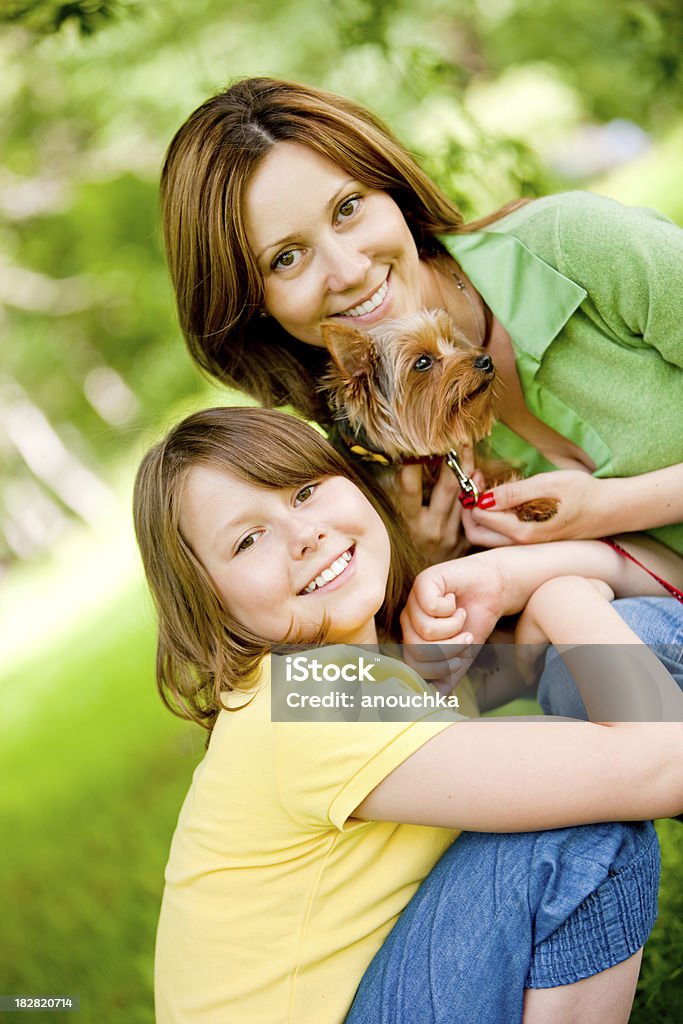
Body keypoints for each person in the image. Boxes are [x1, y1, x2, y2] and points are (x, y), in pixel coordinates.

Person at [134, 405, 683, 1024]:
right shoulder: (310, 705)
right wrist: (560, 593)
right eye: (246, 539)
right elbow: (662, 764)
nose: (303, 534)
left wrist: (508, 576)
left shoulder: (366, 673)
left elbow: (662, 587)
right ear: (209, 602)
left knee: (600, 707)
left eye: (305, 490)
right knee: (580, 836)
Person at [159, 76, 683, 573]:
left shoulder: (576, 246)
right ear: (253, 305)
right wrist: (422, 566)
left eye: (347, 207)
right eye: (287, 258)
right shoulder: (343, 478)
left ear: (392, 190)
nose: (349, 270)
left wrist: (615, 507)